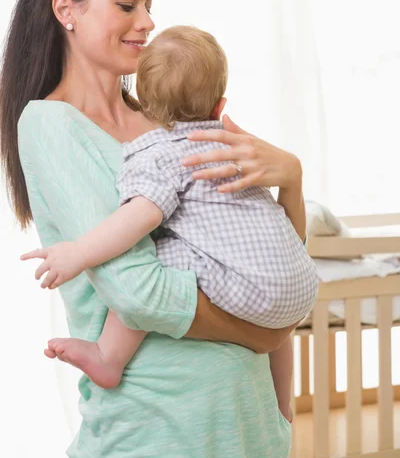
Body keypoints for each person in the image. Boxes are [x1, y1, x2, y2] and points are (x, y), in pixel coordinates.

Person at [1, 0, 310, 458]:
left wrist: (293, 179)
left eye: (148, 4)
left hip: (248, 425)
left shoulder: (169, 126)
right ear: (65, 10)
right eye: (127, 5)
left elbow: (265, 249)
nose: (147, 23)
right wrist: (263, 334)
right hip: (157, 432)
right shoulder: (51, 125)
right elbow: (136, 291)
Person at [21, 25, 318, 424]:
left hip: (256, 295)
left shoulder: (157, 153)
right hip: (300, 284)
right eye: (128, 5)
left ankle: (109, 356)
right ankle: (283, 404)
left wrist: (78, 252)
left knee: (158, 248)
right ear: (219, 106)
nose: (143, 19)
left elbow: (140, 216)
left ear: (147, 104)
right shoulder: (233, 146)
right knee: (251, 257)